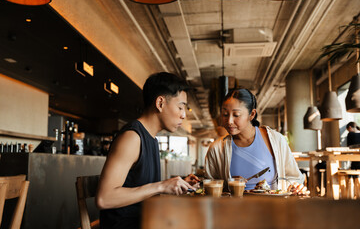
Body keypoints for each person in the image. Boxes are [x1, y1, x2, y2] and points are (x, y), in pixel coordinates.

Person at [96, 72, 198, 229]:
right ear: (160, 103)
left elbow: (141, 187)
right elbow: (104, 198)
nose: (184, 115)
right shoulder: (132, 137)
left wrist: (176, 184)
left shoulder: (151, 139)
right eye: (180, 107)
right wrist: (161, 186)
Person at [205, 88, 306, 194]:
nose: (229, 121)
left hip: (273, 209)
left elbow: (294, 178)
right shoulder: (216, 149)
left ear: (252, 114)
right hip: (233, 209)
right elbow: (208, 188)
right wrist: (228, 184)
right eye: (225, 114)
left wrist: (295, 187)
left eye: (236, 115)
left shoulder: (276, 140)